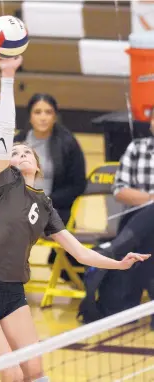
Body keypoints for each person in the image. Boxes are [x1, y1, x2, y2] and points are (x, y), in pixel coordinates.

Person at [0, 56, 150, 382]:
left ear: (36, 163)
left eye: (24, 152)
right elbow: (6, 128)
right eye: (13, 153)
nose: (18, 155)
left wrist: (118, 263)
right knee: (12, 373)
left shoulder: (45, 206)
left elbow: (80, 253)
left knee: (34, 369)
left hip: (13, 294)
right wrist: (7, 76)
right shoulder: (3, 186)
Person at [78, 108, 154, 328]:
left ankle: (113, 249)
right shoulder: (137, 148)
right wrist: (150, 198)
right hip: (135, 220)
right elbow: (119, 190)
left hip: (134, 233)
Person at [14, 93, 86, 280]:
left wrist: (45, 200)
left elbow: (77, 185)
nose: (43, 116)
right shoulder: (19, 141)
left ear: (55, 116)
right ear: (30, 115)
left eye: (48, 112)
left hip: (54, 209)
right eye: (38, 112)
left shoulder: (68, 143)